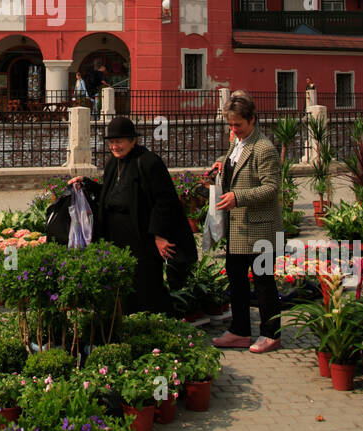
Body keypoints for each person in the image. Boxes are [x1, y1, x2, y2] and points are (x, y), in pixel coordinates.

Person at [69, 115, 195, 315]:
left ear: (133, 140)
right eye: (111, 142)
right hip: (115, 234)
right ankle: (125, 323)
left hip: (141, 234)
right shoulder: (113, 163)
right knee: (122, 284)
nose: (115, 146)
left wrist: (160, 235)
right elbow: (110, 193)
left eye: (119, 141)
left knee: (146, 284)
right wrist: (85, 183)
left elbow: (165, 201)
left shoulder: (148, 162)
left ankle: (158, 328)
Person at [210, 95, 284, 353]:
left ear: (252, 120)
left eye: (238, 125)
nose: (233, 130)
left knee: (264, 282)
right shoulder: (238, 142)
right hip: (240, 227)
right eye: (230, 125)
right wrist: (221, 162)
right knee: (236, 279)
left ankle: (271, 334)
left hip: (262, 228)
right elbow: (233, 160)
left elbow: (272, 188)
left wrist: (238, 197)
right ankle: (240, 331)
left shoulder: (263, 148)